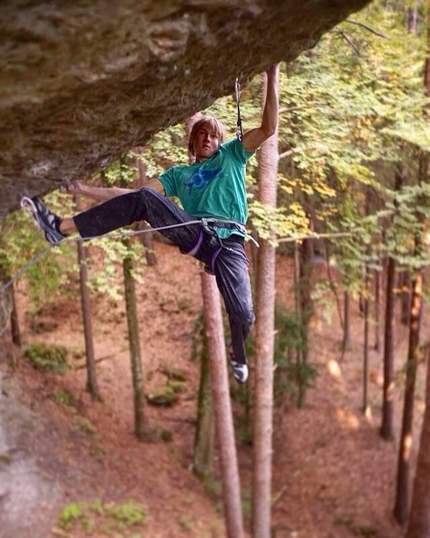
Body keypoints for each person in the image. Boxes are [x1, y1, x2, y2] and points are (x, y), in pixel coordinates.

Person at [21, 65, 279, 384]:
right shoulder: (178, 176)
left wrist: (272, 74)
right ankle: (60, 227)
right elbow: (131, 195)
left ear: (220, 140)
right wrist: (84, 189)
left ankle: (238, 353)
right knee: (144, 197)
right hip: (196, 232)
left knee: (243, 315)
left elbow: (268, 128)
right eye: (201, 134)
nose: (208, 137)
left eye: (213, 134)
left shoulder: (233, 155)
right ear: (192, 143)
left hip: (231, 244)